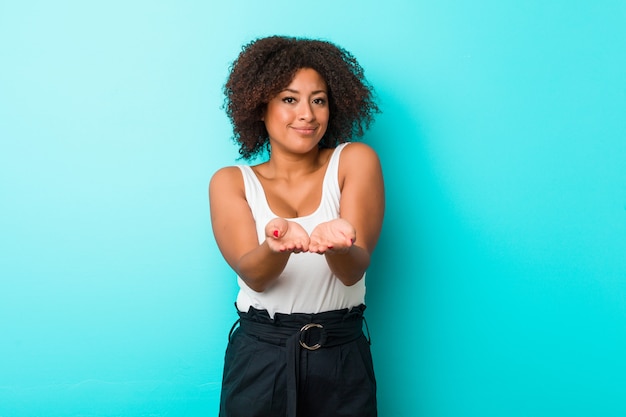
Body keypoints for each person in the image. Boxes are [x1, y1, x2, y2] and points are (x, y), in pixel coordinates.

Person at [209, 35, 384, 417]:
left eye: (318, 100)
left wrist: (338, 245)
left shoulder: (354, 161)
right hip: (260, 357)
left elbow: (354, 270)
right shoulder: (231, 182)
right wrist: (276, 247)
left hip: (340, 355)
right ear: (260, 106)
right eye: (290, 99)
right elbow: (254, 276)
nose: (307, 113)